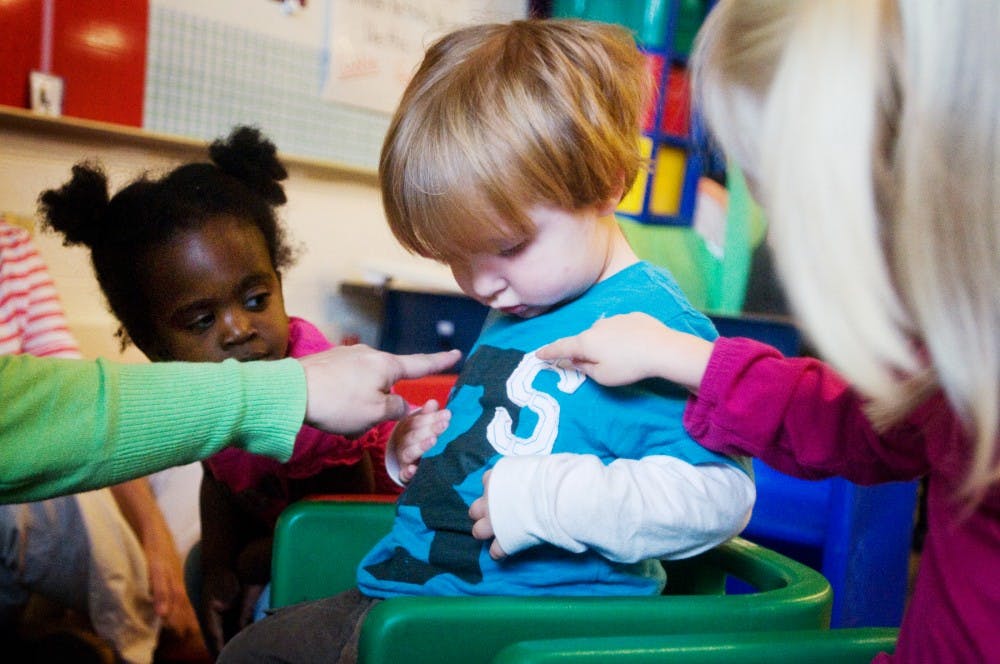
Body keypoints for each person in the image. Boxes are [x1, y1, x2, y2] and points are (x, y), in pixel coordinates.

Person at [219, 18, 754, 663]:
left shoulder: (652, 326)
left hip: (513, 630)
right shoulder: (526, 297)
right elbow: (496, 443)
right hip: (403, 593)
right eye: (455, 258)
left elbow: (721, 497)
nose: (482, 286)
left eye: (508, 247)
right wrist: (411, 450)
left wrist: (554, 499)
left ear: (611, 179)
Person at [536, 2, 1000, 662]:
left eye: (794, 204)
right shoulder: (958, 354)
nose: (780, 237)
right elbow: (869, 421)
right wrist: (690, 358)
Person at [36, 125, 452, 656]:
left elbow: (333, 518)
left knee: (258, 606)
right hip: (286, 535)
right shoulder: (204, 396)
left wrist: (248, 561)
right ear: (150, 344)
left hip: (368, 544)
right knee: (199, 572)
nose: (238, 329)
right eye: (203, 319)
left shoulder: (314, 389)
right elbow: (220, 479)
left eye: (256, 300)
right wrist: (216, 565)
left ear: (278, 283)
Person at [0, 217, 207, 662]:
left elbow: (79, 406)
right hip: (22, 467)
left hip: (54, 440)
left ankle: (179, 609)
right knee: (45, 485)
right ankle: (155, 639)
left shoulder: (11, 245)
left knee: (189, 453)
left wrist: (156, 536)